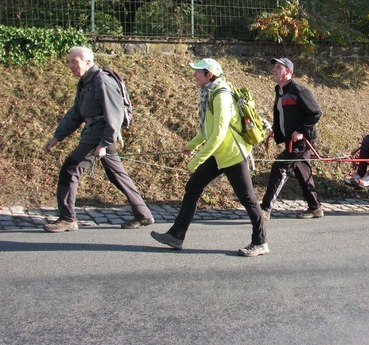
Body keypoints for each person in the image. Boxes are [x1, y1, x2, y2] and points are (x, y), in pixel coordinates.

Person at [151, 58, 268, 256]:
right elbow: (208, 130)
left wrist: (197, 159)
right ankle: (176, 235)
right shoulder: (210, 93)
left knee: (248, 198)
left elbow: (219, 133)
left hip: (231, 153)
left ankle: (260, 242)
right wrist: (190, 147)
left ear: (210, 75)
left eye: (198, 71)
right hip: (219, 152)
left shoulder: (220, 95)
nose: (194, 75)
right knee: (193, 187)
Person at [42, 46, 154, 232]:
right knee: (116, 175)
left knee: (70, 171)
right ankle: (144, 214)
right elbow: (76, 113)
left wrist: (104, 143)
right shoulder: (86, 82)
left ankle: (68, 219)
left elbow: (114, 115)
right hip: (95, 134)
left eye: (74, 62)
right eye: (69, 61)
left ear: (88, 62)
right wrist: (57, 137)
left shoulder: (102, 81)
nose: (69, 65)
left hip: (98, 136)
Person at [261, 57, 324, 219]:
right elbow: (280, 113)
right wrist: (276, 129)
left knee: (279, 167)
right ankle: (315, 207)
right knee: (302, 171)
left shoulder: (298, 90)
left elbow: (315, 112)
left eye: (278, 67)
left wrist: (300, 130)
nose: (274, 70)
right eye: (274, 66)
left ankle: (265, 209)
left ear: (288, 72)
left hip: (302, 140)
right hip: (291, 139)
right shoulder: (279, 90)